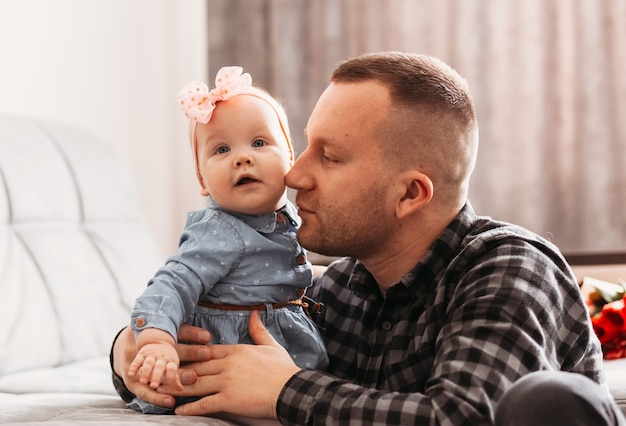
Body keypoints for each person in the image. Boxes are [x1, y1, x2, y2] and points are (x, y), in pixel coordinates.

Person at [111, 52, 625, 425]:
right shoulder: (337, 291)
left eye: (329, 157)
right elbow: (218, 325)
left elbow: (466, 415)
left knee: (546, 398)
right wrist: (131, 353)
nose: (294, 176)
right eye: (305, 147)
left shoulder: (510, 268)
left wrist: (286, 390)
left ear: (410, 194)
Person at [125, 66, 328, 414]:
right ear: (202, 179)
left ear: (290, 159)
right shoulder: (219, 230)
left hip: (280, 351)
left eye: (260, 143)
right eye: (221, 149)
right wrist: (157, 339)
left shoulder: (291, 215)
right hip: (229, 354)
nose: (242, 157)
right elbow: (173, 282)